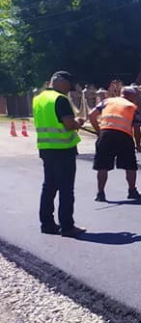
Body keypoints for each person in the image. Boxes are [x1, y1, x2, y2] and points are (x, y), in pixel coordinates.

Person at [32, 71, 87, 238]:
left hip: (46, 149)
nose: (69, 88)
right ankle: (67, 226)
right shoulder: (60, 99)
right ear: (58, 81)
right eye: (68, 84)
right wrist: (79, 122)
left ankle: (47, 224)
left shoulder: (38, 99)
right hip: (63, 150)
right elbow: (69, 124)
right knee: (66, 189)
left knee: (49, 187)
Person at [89, 86, 141, 202]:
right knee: (130, 166)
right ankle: (132, 191)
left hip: (105, 135)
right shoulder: (132, 107)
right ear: (131, 96)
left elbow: (91, 115)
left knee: (102, 166)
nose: (136, 99)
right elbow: (137, 128)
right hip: (124, 137)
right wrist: (138, 145)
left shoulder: (107, 101)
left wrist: (99, 131)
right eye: (135, 97)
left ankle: (100, 194)